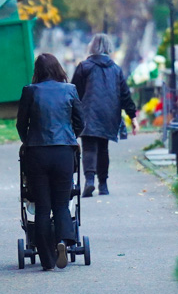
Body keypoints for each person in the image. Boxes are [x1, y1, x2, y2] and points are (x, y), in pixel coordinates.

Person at [17, 53, 85, 270]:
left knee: (43, 207)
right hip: (64, 152)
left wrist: (28, 141)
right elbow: (80, 122)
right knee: (62, 204)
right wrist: (69, 136)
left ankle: (46, 259)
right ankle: (63, 241)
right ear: (58, 69)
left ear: (38, 70)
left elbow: (21, 124)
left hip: (37, 153)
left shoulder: (30, 91)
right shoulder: (70, 90)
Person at [71, 33, 138, 197]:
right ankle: (104, 185)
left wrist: (72, 114)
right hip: (109, 114)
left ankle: (90, 181)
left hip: (88, 113)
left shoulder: (84, 67)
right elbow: (125, 95)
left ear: (92, 47)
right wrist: (133, 117)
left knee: (89, 148)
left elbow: (73, 93)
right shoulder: (116, 69)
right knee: (103, 149)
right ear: (109, 48)